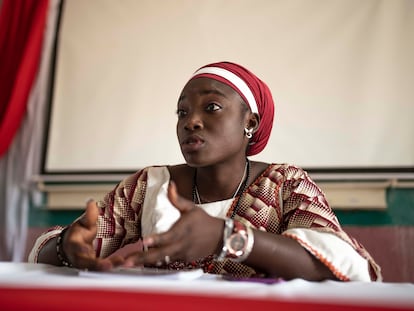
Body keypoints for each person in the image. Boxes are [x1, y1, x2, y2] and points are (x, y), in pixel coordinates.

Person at [29, 61, 381, 281]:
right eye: (182, 113)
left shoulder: (285, 184)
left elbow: (342, 266)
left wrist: (224, 236)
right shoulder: (150, 186)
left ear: (250, 122)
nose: (191, 122)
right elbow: (70, 246)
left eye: (211, 107)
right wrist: (66, 246)